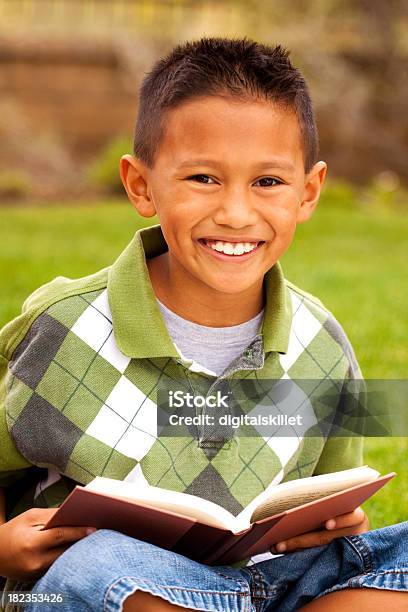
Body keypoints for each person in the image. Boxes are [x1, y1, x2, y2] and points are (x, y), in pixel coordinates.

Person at [0, 38, 406, 612]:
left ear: (308, 192)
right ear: (141, 185)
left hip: (265, 585)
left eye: (268, 182)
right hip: (113, 587)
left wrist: (338, 524)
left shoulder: (323, 343)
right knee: (97, 562)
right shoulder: (63, 328)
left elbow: (337, 502)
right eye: (203, 179)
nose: (236, 213)